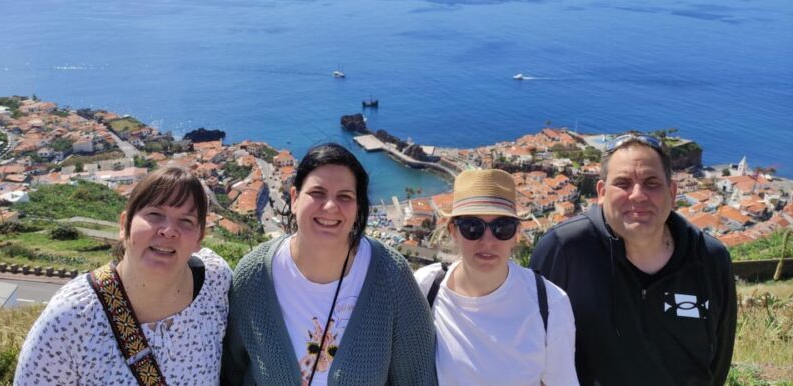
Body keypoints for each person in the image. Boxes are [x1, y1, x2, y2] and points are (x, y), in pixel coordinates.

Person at [530, 134, 737, 386]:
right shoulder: (564, 250)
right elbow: (533, 350)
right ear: (601, 193)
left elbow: (718, 361)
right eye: (623, 183)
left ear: (672, 192)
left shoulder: (710, 259)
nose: (638, 195)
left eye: (652, 183)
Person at [221, 142, 436, 386]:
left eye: (345, 196)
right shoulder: (253, 276)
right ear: (294, 198)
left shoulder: (390, 275)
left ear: (358, 208)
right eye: (317, 193)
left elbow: (418, 377)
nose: (331, 207)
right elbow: (233, 372)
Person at [15, 166, 231, 385]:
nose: (168, 230)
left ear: (199, 238)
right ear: (124, 225)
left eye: (186, 221)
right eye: (155, 214)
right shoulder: (72, 317)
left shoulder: (215, 280)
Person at [414, 169, 578, 386]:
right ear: (453, 231)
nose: (487, 241)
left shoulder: (550, 304)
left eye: (502, 227)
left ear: (516, 235)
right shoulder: (426, 287)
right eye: (473, 227)